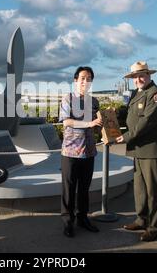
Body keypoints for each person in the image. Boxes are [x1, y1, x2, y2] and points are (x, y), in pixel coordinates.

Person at [116, 61, 157, 242]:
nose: (138, 79)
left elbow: (146, 122)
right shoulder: (138, 93)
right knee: (139, 189)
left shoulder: (156, 95)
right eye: (134, 77)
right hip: (138, 149)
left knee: (153, 191)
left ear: (149, 75)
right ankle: (141, 220)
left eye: (141, 75)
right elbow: (130, 116)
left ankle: (154, 228)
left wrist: (124, 137)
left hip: (152, 150)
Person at [59, 66, 103, 238]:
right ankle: (67, 222)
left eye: (89, 78)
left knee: (84, 188)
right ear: (75, 80)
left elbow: (98, 122)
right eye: (83, 78)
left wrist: (105, 122)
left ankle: (83, 218)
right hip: (70, 152)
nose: (86, 81)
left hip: (89, 151)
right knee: (69, 189)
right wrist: (89, 124)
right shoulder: (67, 98)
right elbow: (66, 122)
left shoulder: (94, 101)